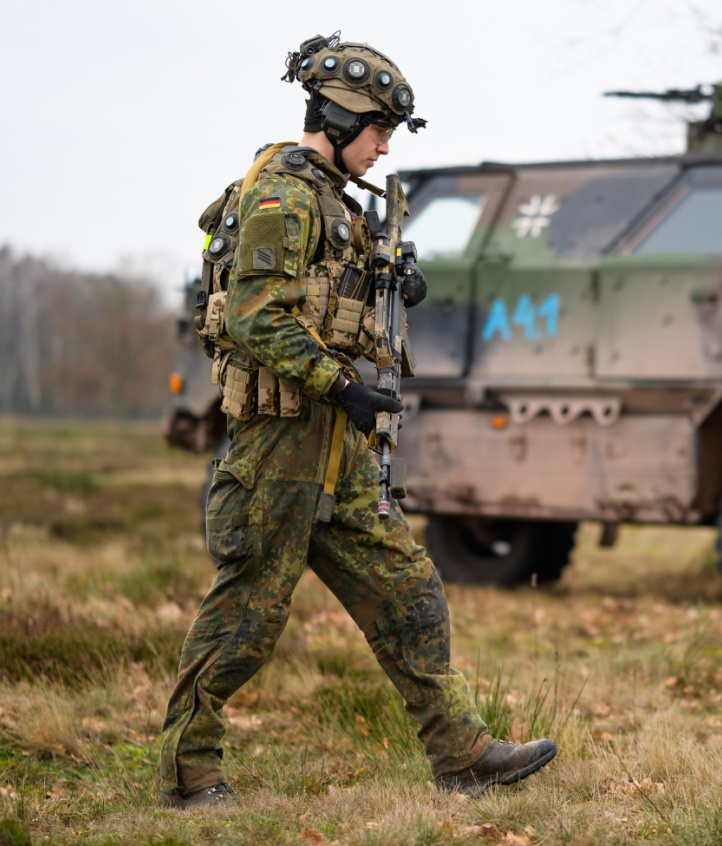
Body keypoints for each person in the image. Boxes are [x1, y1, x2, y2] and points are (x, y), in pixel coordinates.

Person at [157, 32, 556, 810]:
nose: (384, 147)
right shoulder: (284, 197)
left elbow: (325, 304)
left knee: (408, 591)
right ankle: (186, 770)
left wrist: (389, 285)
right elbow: (254, 316)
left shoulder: (336, 203)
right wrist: (340, 386)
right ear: (338, 121)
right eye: (378, 130)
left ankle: (462, 754)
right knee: (246, 617)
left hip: (337, 444)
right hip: (281, 443)